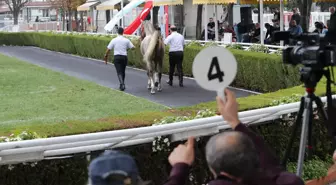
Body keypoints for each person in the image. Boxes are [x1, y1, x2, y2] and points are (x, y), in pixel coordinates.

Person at [164, 89, 305, 185]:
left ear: (213, 169)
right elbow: (272, 167)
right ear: (253, 159)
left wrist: (180, 168)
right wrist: (235, 122)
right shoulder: (287, 181)